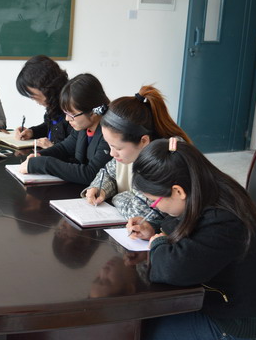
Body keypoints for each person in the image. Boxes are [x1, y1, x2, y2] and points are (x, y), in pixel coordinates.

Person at [130, 138, 256, 340]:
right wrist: (154, 226)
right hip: (223, 308)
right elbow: (178, 220)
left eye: (154, 201)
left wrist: (159, 242)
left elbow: (172, 270)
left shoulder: (224, 220)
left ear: (178, 190)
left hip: (235, 330)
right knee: (133, 322)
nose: (154, 207)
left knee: (131, 337)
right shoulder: (207, 188)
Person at [82, 85, 192, 234]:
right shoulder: (131, 149)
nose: (112, 153)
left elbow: (137, 212)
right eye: (109, 145)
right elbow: (107, 173)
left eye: (117, 148)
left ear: (144, 141)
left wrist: (115, 196)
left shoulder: (166, 158)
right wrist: (99, 189)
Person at [19, 73, 112, 185]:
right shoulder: (83, 127)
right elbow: (64, 148)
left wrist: (44, 163)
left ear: (93, 112)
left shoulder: (111, 132)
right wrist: (40, 155)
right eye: (65, 113)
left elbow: (91, 174)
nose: (67, 119)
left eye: (71, 114)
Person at [14, 55, 71, 148]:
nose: (32, 98)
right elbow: (50, 127)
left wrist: (52, 148)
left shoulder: (73, 110)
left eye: (32, 94)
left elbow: (74, 149)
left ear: (44, 85)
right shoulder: (54, 105)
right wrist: (32, 132)